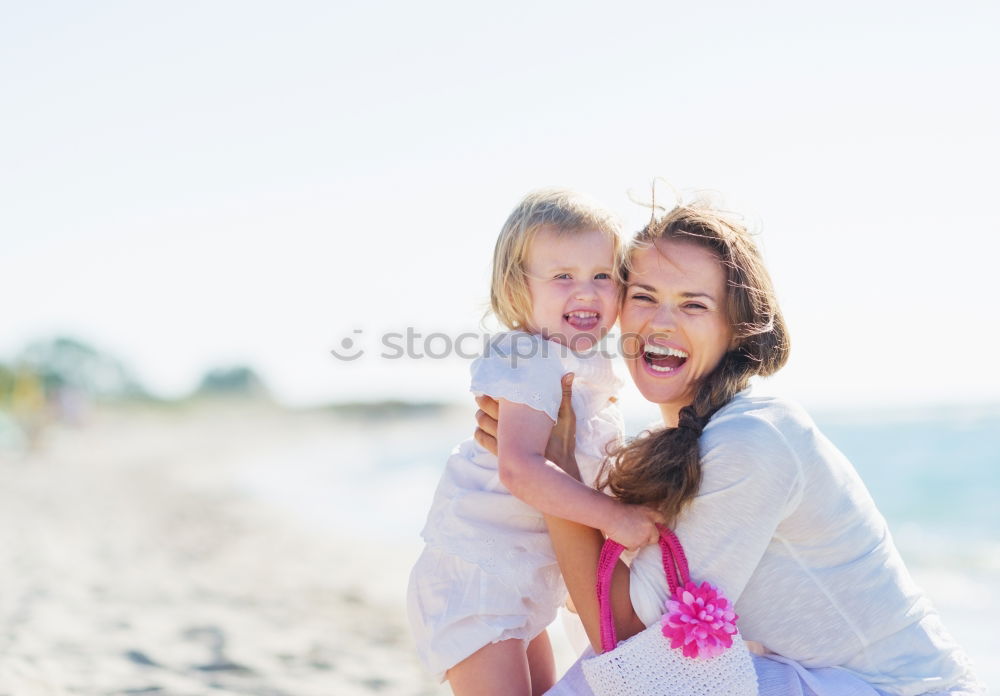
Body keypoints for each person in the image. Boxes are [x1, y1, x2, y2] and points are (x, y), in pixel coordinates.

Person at [474, 200, 984, 695]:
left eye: (694, 304)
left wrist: (554, 474)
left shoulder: (753, 438)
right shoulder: (679, 440)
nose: (662, 323)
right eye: (645, 296)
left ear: (735, 328)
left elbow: (631, 640)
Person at [407, 189, 664, 696]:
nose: (586, 292)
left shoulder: (587, 367)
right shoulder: (529, 356)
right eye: (562, 276)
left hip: (520, 580)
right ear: (517, 286)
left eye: (602, 275)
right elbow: (521, 469)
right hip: (478, 578)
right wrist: (613, 518)